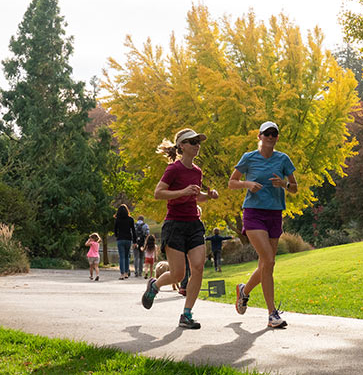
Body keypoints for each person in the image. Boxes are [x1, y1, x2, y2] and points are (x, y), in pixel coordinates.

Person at [140, 128, 219, 330]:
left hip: (194, 224)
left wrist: (208, 195)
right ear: (182, 146)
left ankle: (187, 314)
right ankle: (155, 285)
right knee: (177, 274)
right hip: (175, 224)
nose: (197, 145)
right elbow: (158, 193)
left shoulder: (197, 172)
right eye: (192, 142)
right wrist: (183, 191)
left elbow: (195, 196)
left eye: (198, 142)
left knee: (198, 267)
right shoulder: (173, 169)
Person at [228, 120, 298, 329]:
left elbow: (294, 188)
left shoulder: (283, 159)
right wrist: (247, 184)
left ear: (277, 137)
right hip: (253, 213)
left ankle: (244, 291)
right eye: (266, 133)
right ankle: (272, 314)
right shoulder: (249, 158)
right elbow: (232, 182)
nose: (270, 136)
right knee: (268, 259)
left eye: (273, 133)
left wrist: (284, 184)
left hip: (274, 213)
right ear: (259, 136)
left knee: (268, 263)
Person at [114, 204, 135, 280]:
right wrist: (134, 241)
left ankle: (122, 274)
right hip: (128, 239)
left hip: (120, 239)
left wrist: (117, 236)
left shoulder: (117, 219)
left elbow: (115, 230)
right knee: (127, 257)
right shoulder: (130, 219)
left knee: (121, 257)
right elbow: (133, 230)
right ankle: (126, 273)